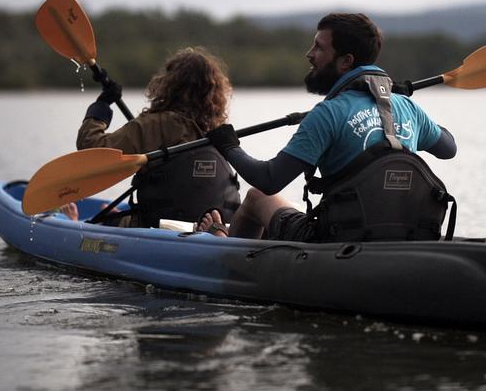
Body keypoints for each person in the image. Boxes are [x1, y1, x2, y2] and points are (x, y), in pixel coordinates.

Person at [199, 13, 457, 242]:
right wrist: (402, 103)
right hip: (404, 234)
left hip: (337, 238)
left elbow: (269, 180)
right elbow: (448, 148)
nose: (309, 54)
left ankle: (225, 250)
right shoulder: (408, 108)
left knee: (257, 197)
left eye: (319, 47)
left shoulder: (328, 114)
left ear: (345, 61)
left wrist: (229, 146)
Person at [76, 46, 241, 227]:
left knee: (109, 221)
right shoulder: (220, 131)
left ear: (169, 85)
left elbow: (90, 147)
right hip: (217, 226)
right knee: (117, 217)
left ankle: (117, 221)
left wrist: (101, 107)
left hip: (159, 226)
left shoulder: (154, 125)